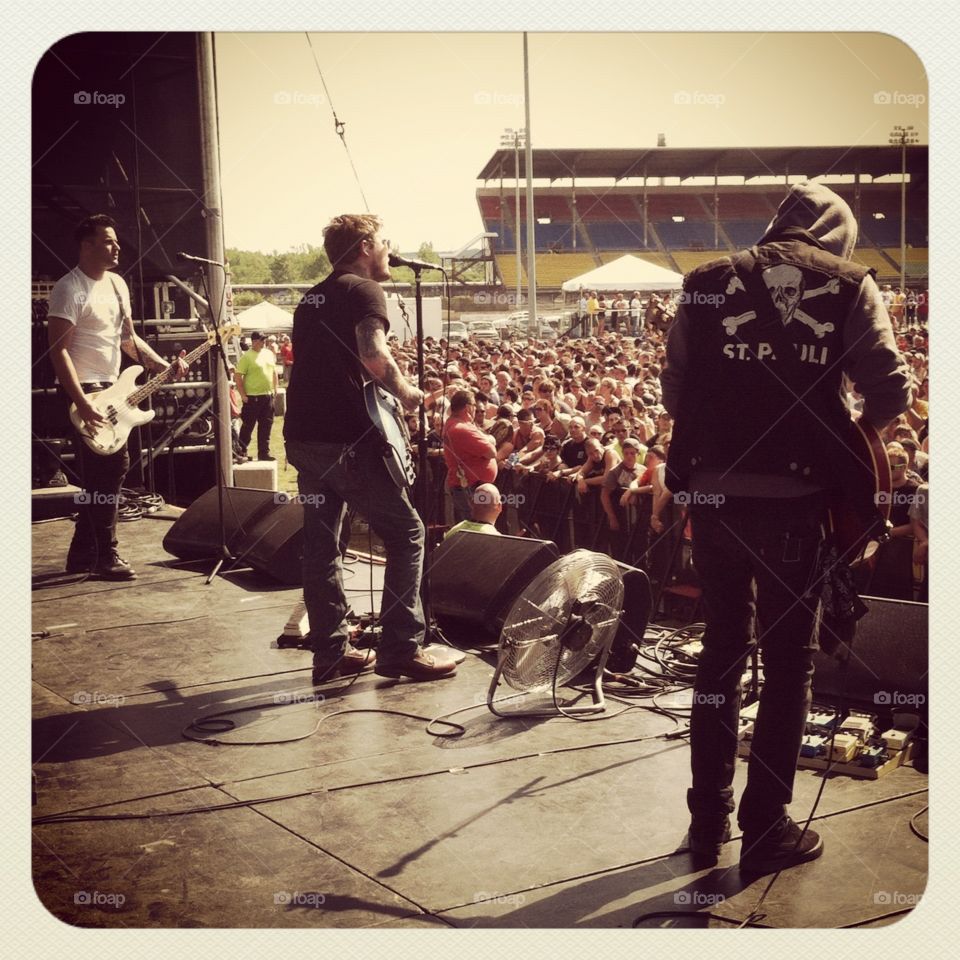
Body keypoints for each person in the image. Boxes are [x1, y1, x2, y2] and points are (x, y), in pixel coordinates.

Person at [661, 182, 911, 875]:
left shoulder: (707, 281)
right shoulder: (849, 285)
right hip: (796, 504)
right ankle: (766, 829)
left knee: (720, 651)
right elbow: (891, 391)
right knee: (787, 663)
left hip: (712, 498)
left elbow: (674, 389)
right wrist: (846, 441)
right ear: (840, 234)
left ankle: (705, 821)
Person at [285, 213, 457, 683]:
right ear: (364, 247)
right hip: (347, 440)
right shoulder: (363, 290)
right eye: (383, 242)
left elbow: (330, 365)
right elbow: (372, 352)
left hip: (304, 437)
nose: (388, 250)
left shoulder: (310, 299)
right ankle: (401, 648)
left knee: (323, 547)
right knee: (408, 534)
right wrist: (411, 394)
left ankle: (331, 653)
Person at [47, 213, 186, 579]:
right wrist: (80, 401)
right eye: (108, 241)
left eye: (115, 240)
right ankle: (105, 556)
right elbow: (58, 350)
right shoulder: (69, 288)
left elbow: (128, 339)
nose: (117, 246)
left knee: (103, 476)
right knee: (110, 470)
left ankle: (83, 554)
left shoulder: (118, 285)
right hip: (87, 393)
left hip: (113, 387)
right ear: (86, 245)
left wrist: (160, 365)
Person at [442, 389, 498, 523]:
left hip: (469, 486)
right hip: (470, 488)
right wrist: (489, 438)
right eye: (474, 406)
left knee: (471, 526)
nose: (475, 410)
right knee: (475, 527)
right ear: (468, 407)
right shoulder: (461, 428)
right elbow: (491, 452)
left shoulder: (458, 425)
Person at [235, 331, 278, 461]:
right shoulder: (247, 357)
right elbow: (238, 376)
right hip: (253, 398)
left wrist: (275, 389)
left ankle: (264, 453)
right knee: (248, 426)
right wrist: (242, 394)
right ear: (254, 341)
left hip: (267, 396)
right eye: (261, 340)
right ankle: (241, 452)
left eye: (264, 340)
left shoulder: (269, 353)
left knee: (266, 426)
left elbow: (274, 371)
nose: (264, 342)